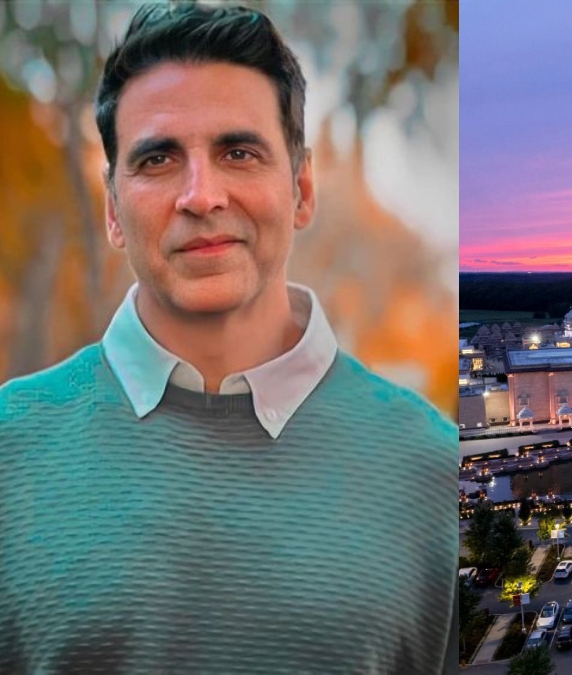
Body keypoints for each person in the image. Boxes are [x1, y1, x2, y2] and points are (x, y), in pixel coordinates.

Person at [0, 5, 457, 674]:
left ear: (301, 188)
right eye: (158, 158)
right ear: (111, 210)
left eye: (238, 152)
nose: (200, 194)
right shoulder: (10, 451)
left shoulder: (434, 471)